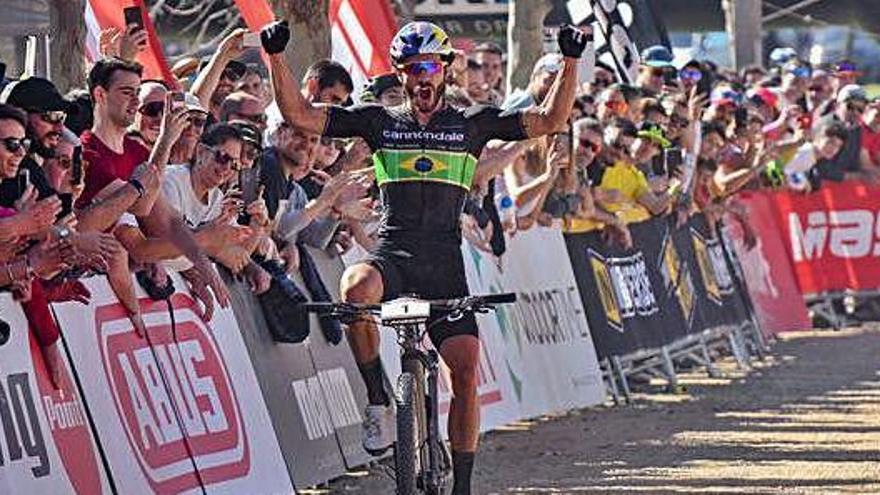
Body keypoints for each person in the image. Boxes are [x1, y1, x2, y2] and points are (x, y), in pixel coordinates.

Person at [262, 18, 589, 494]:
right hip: (394, 253)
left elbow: (549, 120)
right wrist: (275, 58)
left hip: (445, 264)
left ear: (446, 70)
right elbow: (300, 114)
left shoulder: (472, 124)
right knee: (354, 287)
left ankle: (462, 486)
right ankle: (378, 399)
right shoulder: (378, 121)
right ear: (399, 74)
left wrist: (571, 62)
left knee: (465, 368)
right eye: (412, 68)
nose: (422, 77)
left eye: (430, 66)